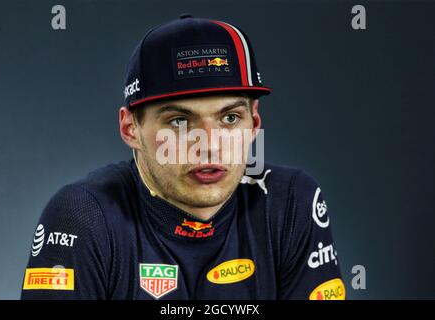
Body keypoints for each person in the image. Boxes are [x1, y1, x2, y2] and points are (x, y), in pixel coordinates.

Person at [21, 14, 345, 300]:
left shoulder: (289, 203)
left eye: (229, 118)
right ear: (130, 128)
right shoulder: (84, 215)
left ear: (254, 123)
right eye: (179, 122)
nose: (209, 146)